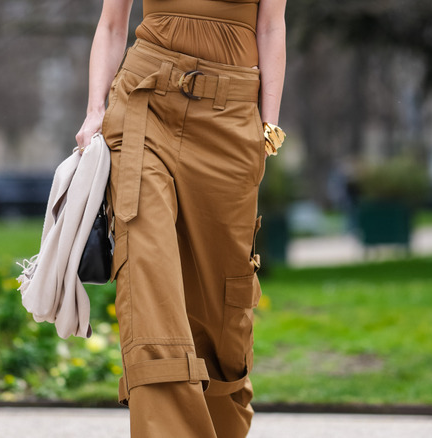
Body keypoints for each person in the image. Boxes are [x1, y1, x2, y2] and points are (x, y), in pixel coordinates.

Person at [75, 1, 286, 436]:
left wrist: (266, 130)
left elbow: (270, 28)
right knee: (148, 276)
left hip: (231, 121)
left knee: (221, 314)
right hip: (144, 103)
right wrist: (96, 111)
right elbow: (113, 25)